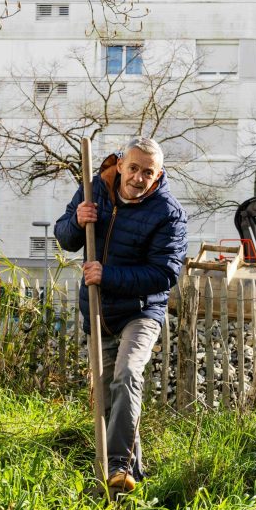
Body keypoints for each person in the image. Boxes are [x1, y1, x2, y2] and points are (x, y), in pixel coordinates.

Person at [55, 137, 187, 492]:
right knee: (108, 397)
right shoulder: (94, 187)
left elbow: (165, 274)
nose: (138, 178)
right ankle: (125, 480)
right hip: (99, 310)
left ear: (158, 175)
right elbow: (64, 237)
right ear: (121, 165)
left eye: (148, 172)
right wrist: (76, 222)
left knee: (128, 374)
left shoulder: (168, 212)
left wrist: (107, 275)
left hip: (141, 311)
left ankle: (115, 465)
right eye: (133, 168)